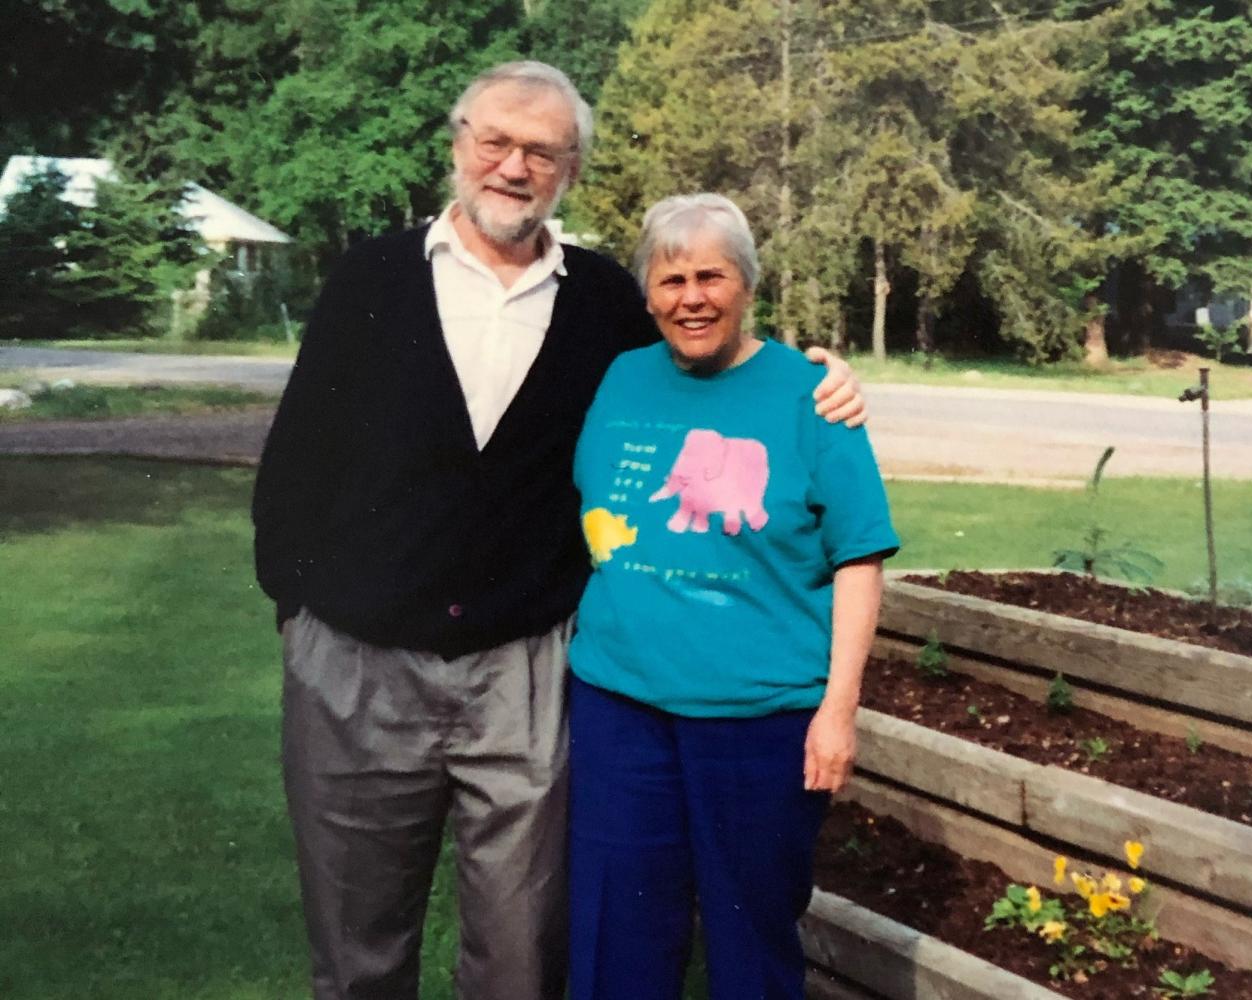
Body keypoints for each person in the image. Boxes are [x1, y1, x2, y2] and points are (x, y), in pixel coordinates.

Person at [251, 62, 865, 1000]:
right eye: (495, 141)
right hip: (357, 666)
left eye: (541, 150)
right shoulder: (373, 275)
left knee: (522, 949)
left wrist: (830, 379)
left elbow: (709, 352)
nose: (513, 166)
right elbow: (297, 455)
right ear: (459, 146)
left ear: (570, 168)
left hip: (524, 672)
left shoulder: (606, 301)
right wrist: (298, 613)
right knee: (357, 942)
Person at [564, 192, 897, 1000]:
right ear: (647, 292)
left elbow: (859, 557)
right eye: (671, 279)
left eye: (712, 276)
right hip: (620, 708)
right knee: (617, 935)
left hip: (759, 721)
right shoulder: (620, 376)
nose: (692, 297)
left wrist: (838, 709)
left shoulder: (810, 394)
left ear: (747, 283)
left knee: (752, 935)